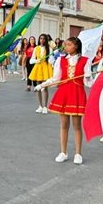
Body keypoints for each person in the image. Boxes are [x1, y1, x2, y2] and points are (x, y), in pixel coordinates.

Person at [35, 37, 92, 165]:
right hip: (64, 94)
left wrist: (89, 78)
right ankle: (63, 152)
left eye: (69, 45)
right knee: (64, 125)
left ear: (76, 46)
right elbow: (56, 78)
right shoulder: (60, 60)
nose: (65, 47)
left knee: (77, 126)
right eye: (65, 45)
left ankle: (78, 153)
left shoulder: (85, 61)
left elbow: (88, 83)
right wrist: (42, 85)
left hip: (77, 94)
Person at [29, 34, 54, 114]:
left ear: (46, 40)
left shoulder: (49, 49)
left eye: (43, 39)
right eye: (40, 38)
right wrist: (37, 61)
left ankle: (45, 106)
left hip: (46, 68)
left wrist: (51, 57)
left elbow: (51, 60)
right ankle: (40, 105)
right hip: (38, 68)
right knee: (38, 87)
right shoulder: (36, 48)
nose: (42, 40)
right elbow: (31, 60)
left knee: (45, 87)